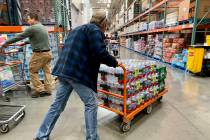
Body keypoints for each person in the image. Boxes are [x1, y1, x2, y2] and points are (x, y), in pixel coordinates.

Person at [34, 11, 120, 140]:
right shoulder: (95, 30)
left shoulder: (77, 29)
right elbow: (99, 52)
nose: (105, 28)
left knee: (57, 105)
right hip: (77, 73)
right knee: (91, 103)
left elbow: (83, 50)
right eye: (106, 25)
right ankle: (92, 138)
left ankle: (41, 136)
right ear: (103, 23)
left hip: (64, 71)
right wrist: (114, 62)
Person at [1, 13, 52, 98]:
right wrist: (26, 42)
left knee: (32, 70)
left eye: (28, 19)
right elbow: (38, 38)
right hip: (48, 53)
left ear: (33, 19)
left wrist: (6, 43)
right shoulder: (42, 27)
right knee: (47, 71)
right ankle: (48, 90)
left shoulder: (32, 28)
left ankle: (40, 90)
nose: (27, 21)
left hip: (39, 54)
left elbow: (19, 36)